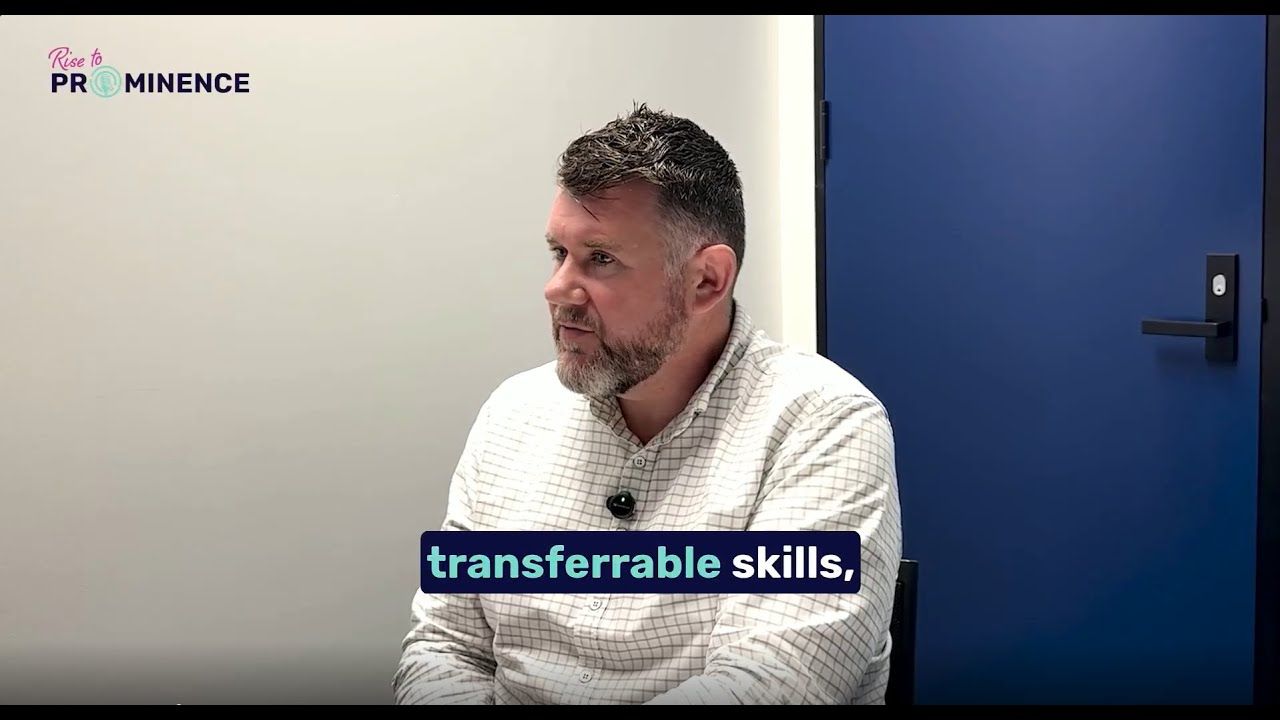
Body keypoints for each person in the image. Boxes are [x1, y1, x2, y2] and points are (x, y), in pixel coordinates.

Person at [393, 103, 902, 704]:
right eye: (558, 253)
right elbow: (445, 644)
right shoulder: (513, 413)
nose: (557, 289)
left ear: (707, 280)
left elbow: (768, 686)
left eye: (600, 259)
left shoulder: (823, 424)